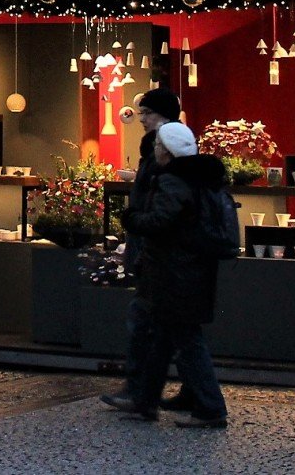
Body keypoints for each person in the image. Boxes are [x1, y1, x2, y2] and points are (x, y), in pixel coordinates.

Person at [116, 121, 231, 428]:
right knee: (164, 339)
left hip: (174, 274)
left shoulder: (173, 181)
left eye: (158, 146)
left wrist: (132, 218)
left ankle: (210, 407)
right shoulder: (203, 179)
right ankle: (145, 401)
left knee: (185, 339)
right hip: (192, 272)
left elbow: (160, 222)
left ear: (166, 151)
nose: (155, 151)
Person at [100, 85, 183, 416]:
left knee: (148, 323)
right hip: (154, 250)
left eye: (146, 113)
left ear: (159, 115)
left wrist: (136, 223)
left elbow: (160, 204)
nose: (142, 119)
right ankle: (151, 394)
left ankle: (141, 392)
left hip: (157, 253)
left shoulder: (165, 150)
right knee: (165, 330)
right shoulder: (160, 149)